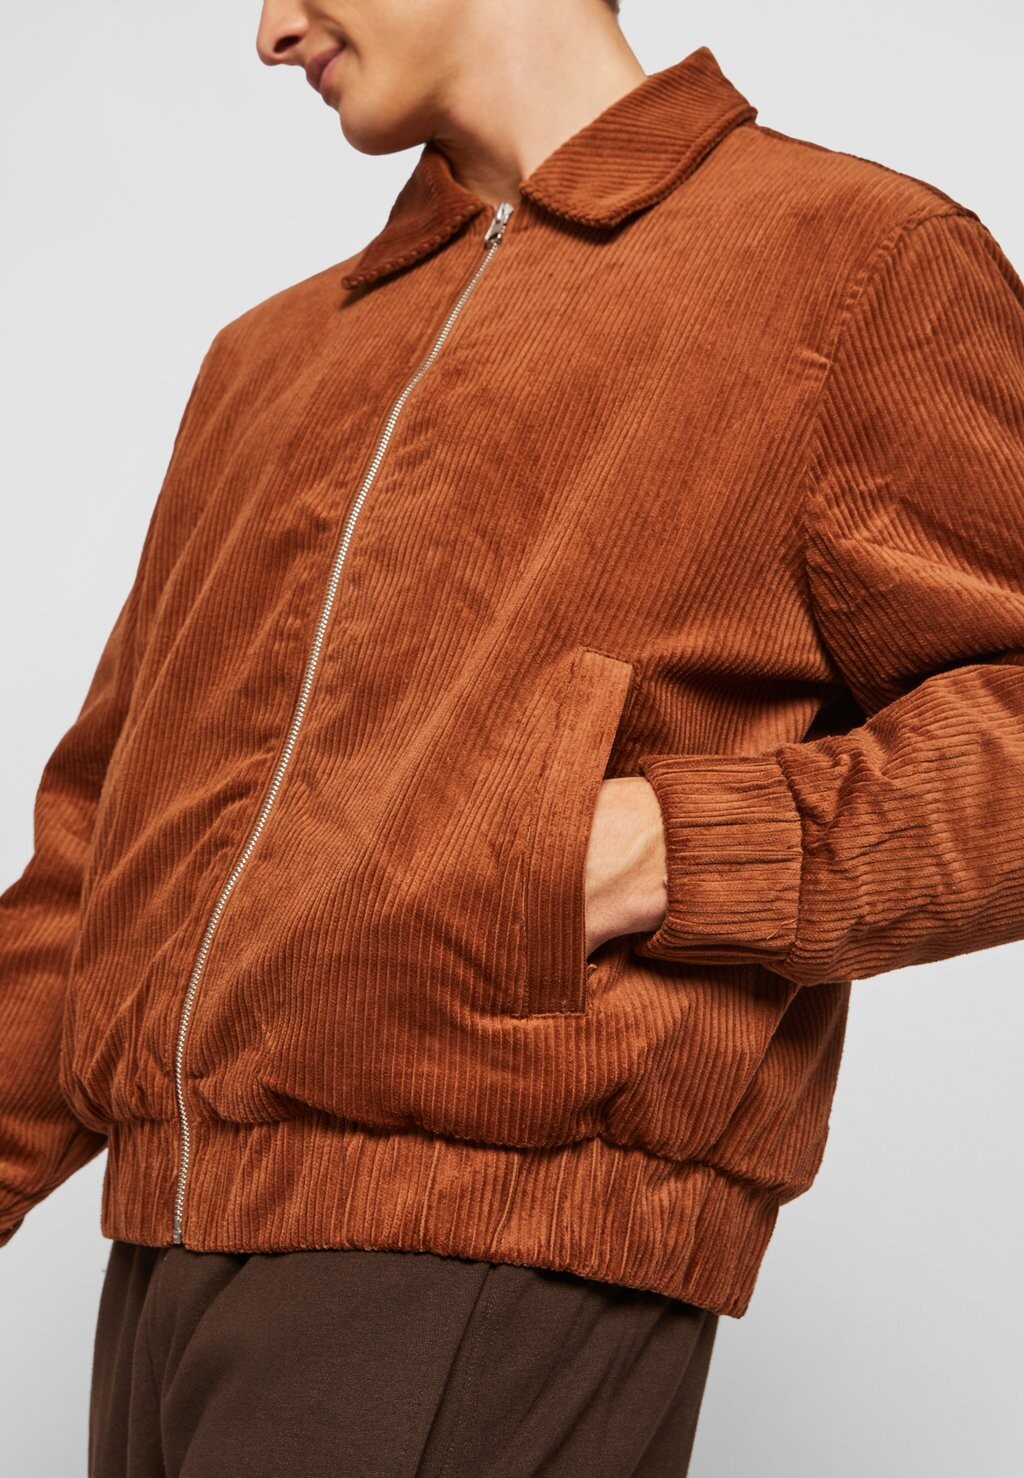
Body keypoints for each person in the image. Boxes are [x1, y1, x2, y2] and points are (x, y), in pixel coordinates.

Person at [3, 0, 1024, 1473]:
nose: (272, 32)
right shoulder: (268, 358)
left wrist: (672, 849)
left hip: (484, 1247)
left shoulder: (849, 263)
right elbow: (101, 852)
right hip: (162, 1259)